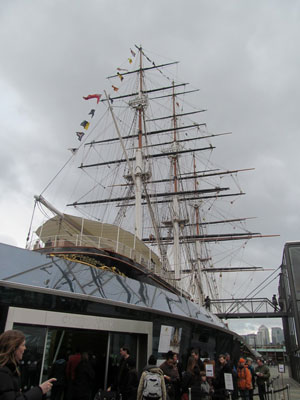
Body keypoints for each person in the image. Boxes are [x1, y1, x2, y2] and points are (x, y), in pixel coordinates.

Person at [0, 330, 56, 400]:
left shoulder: (9, 370)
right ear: (14, 347)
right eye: (23, 345)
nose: (25, 348)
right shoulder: (3, 372)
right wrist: (40, 390)